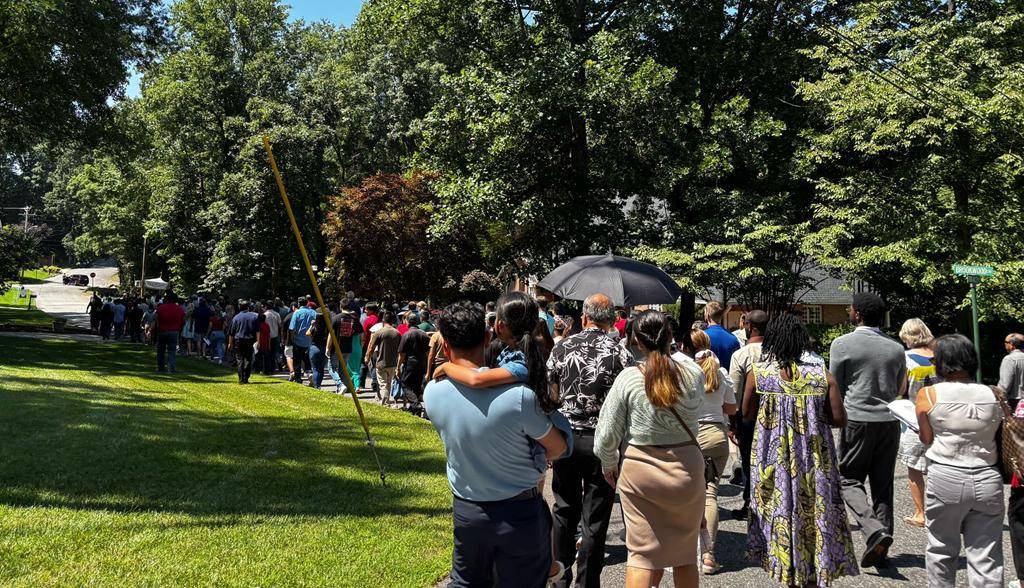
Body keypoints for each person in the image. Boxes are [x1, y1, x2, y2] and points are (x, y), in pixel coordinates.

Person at [423, 301, 567, 587]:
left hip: (467, 510)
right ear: (488, 336)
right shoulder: (518, 397)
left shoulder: (432, 393)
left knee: (466, 582)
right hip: (520, 513)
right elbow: (559, 448)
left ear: (445, 345)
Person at [745, 312, 858, 586]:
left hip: (771, 460)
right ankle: (812, 573)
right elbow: (840, 418)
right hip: (814, 460)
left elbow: (746, 414)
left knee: (779, 513)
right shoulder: (822, 376)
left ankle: (787, 572)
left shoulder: (758, 374)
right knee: (814, 515)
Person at [594, 310, 705, 588]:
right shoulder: (693, 373)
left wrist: (609, 463)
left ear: (636, 341)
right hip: (687, 468)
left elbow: (606, 435)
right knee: (685, 555)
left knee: (641, 555)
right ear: (670, 337)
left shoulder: (629, 378)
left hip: (641, 469)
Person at [547, 293, 633, 588]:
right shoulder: (620, 353)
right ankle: (587, 582)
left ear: (584, 317)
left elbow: (549, 390)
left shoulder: (562, 347)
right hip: (603, 442)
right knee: (595, 518)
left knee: (563, 509)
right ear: (611, 320)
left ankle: (560, 577)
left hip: (566, 439)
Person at [916, 334, 1004, 588]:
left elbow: (926, 437)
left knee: (942, 549)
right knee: (986, 556)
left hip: (946, 475)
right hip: (987, 476)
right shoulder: (994, 394)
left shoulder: (929, 394)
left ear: (941, 361)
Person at [829, 292, 906, 568]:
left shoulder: (842, 344)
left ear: (858, 314)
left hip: (857, 418)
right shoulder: (896, 348)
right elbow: (900, 387)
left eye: (850, 309)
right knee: (883, 484)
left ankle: (874, 529)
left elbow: (834, 384)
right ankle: (882, 544)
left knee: (848, 479)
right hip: (889, 419)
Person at [689, 329, 737, 574]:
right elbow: (731, 407)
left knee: (687, 494)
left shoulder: (687, 372)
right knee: (710, 493)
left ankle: (683, 550)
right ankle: (709, 555)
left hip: (693, 437)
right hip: (717, 435)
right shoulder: (722, 373)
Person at [897, 318, 938, 529]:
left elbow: (901, 390)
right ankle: (944, 513)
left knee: (914, 469)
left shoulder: (905, 359)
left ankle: (921, 513)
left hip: (914, 419)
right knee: (939, 468)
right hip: (939, 419)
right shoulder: (940, 357)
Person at [726, 308, 767, 519]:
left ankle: (750, 503)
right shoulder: (776, 352)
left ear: (748, 327)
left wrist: (733, 424)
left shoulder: (741, 355)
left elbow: (734, 392)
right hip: (774, 416)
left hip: (747, 418)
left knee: (750, 461)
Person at [396, 314, 431, 409]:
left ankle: (415, 404)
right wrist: (428, 366)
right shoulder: (424, 334)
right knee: (416, 385)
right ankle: (414, 408)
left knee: (404, 383)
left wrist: (398, 367)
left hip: (410, 364)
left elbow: (402, 354)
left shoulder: (406, 335)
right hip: (422, 364)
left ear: (408, 322)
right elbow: (428, 353)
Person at [365, 312, 401, 404]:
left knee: (383, 384)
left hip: (381, 362)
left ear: (383, 320)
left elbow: (371, 347)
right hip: (392, 363)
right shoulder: (397, 333)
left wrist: (367, 358)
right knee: (388, 383)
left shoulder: (379, 332)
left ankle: (384, 400)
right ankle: (387, 400)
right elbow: (400, 349)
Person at [228, 301, 262, 384]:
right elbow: (258, 331)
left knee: (239, 359)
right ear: (248, 307)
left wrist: (230, 343)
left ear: (240, 307)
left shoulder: (236, 317)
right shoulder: (254, 316)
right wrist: (258, 341)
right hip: (249, 340)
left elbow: (231, 333)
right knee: (248, 359)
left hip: (238, 340)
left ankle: (240, 378)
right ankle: (246, 377)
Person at [703, 301, 740, 370]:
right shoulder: (733, 338)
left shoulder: (702, 336)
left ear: (707, 315)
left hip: (706, 378)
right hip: (727, 378)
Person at [288, 299, 317, 384]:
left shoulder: (297, 313)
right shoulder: (313, 312)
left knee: (297, 361)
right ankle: (309, 372)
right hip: (309, 340)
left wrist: (292, 339)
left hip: (298, 340)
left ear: (298, 303)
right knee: (307, 359)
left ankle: (298, 379)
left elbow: (292, 328)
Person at [155, 293, 185, 373]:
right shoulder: (179, 309)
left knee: (161, 350)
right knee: (172, 351)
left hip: (162, 331)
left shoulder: (161, 308)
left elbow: (157, 320)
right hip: (174, 332)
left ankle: (161, 367)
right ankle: (171, 368)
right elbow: (183, 321)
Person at [1000, 333, 1024, 410]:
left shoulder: (1009, 359)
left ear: (1011, 344)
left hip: (1015, 404)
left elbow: (1004, 386)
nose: (1004, 344)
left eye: (1005, 342)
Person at [263, 300, 281, 374]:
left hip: (267, 337)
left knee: (266, 354)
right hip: (275, 336)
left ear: (266, 306)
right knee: (273, 354)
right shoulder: (276, 314)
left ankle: (267, 370)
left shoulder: (264, 315)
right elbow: (280, 325)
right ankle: (272, 369)